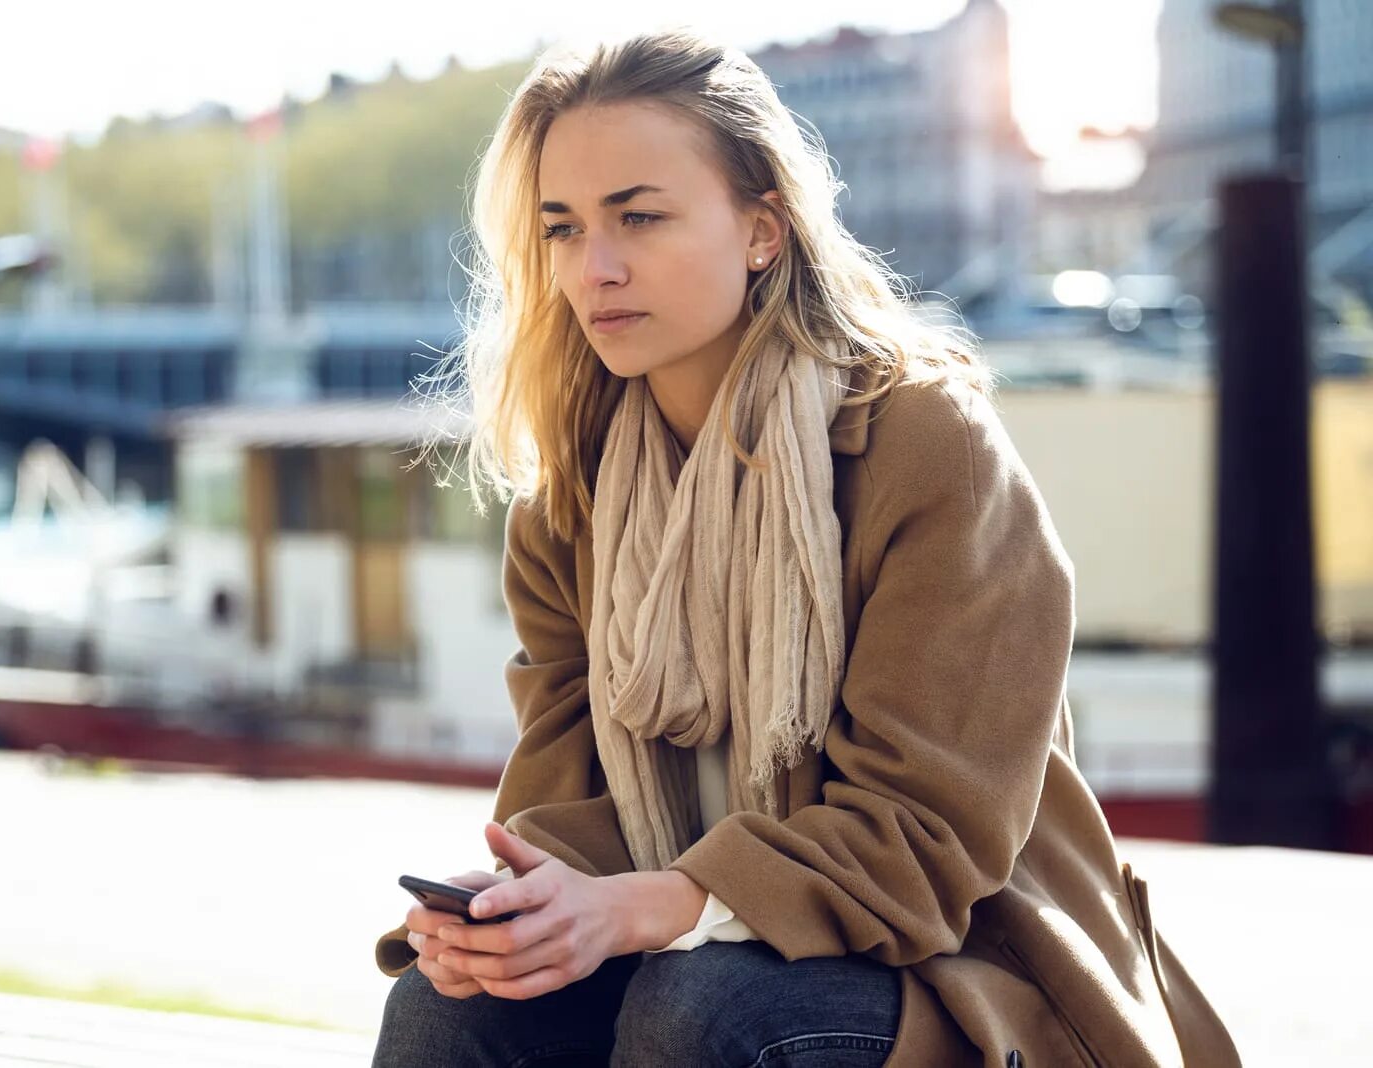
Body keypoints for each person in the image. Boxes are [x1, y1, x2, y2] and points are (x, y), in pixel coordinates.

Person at [371, 27, 1241, 1068]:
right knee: (447, 1004)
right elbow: (573, 804)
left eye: (639, 217)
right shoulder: (572, 496)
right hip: (698, 949)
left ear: (762, 231)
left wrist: (654, 906)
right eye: (561, 229)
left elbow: (924, 843)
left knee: (705, 1010)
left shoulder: (926, 448)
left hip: (955, 975)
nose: (593, 269)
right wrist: (514, 909)